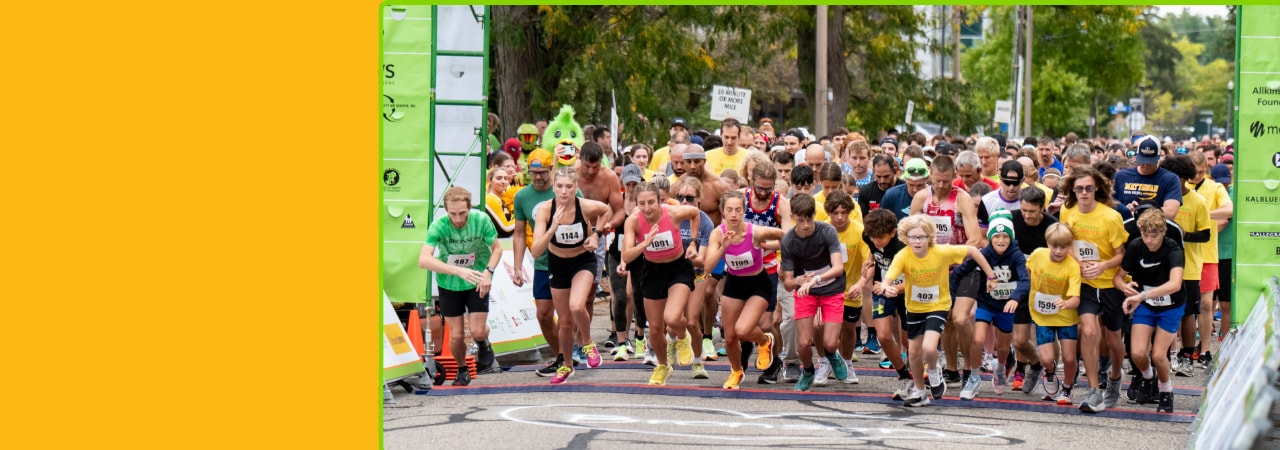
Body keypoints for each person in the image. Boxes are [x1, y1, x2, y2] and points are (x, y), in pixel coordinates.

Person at [883, 215, 998, 407]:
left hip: (938, 305)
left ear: (929, 237)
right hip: (914, 308)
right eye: (913, 237)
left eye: (921, 237)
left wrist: (991, 276)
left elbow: (974, 251)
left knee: (929, 347)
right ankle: (920, 392)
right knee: (913, 354)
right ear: (906, 238)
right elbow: (889, 278)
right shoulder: (903, 255)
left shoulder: (942, 252)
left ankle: (935, 373)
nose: (917, 241)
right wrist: (888, 287)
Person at [531, 167, 613, 384]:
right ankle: (566, 366)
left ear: (576, 188)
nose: (564, 191)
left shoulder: (584, 206)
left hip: (583, 261)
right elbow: (536, 250)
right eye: (559, 186)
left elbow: (606, 210)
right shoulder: (545, 211)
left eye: (569, 187)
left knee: (577, 305)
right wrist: (552, 228)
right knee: (565, 322)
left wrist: (596, 234)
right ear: (554, 188)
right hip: (557, 265)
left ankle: (587, 342)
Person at [1058, 164, 1128, 412]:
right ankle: (1094, 389)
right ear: (1072, 190)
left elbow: (1122, 255)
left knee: (1113, 339)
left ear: (1097, 187)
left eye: (1088, 188)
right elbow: (1065, 245)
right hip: (1085, 284)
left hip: (1110, 284)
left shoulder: (1111, 217)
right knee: (1087, 331)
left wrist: (1102, 266)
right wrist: (1079, 264)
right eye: (1079, 189)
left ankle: (1116, 377)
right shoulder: (1068, 213)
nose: (1084, 193)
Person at [417, 187, 504, 386]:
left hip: (477, 279)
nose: (457, 219)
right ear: (446, 211)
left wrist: (488, 273)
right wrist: (457, 271)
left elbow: (497, 249)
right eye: (452, 214)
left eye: (462, 213)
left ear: (470, 208)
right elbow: (423, 260)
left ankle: (483, 342)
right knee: (456, 335)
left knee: (477, 331)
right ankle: (462, 369)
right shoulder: (438, 225)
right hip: (449, 283)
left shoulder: (481, 220)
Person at [621, 181, 703, 385]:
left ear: (660, 201)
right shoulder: (633, 221)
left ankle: (683, 337)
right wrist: (645, 244)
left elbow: (695, 214)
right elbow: (626, 255)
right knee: (656, 328)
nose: (647, 208)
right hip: (653, 270)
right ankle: (662, 365)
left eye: (651, 202)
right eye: (642, 203)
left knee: (673, 317)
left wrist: (693, 241)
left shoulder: (672, 213)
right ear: (636, 204)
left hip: (678, 268)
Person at [910, 155, 982, 387]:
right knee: (947, 321)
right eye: (937, 181)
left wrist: (951, 254)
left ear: (954, 177)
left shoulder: (962, 199)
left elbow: (975, 238)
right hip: (933, 267)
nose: (941, 185)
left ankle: (971, 368)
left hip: (962, 266)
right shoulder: (921, 198)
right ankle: (952, 369)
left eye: (946, 181)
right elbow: (910, 233)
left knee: (961, 318)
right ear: (931, 175)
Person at [704, 190, 787, 389]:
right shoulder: (718, 233)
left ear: (744, 211)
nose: (733, 214)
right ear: (723, 212)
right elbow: (707, 267)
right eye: (729, 210)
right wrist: (723, 248)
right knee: (730, 336)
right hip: (734, 284)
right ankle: (736, 371)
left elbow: (786, 236)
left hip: (758, 284)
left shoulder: (755, 232)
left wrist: (771, 247)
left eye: (738, 210)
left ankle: (764, 340)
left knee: (742, 330)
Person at [950, 211, 1028, 400]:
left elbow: (1025, 281)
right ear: (991, 238)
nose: (1001, 240)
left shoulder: (1016, 255)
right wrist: (951, 296)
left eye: (1005, 236)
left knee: (1002, 347)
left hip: (1007, 306)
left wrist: (1015, 298)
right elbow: (960, 271)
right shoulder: (984, 253)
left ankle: (1000, 369)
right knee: (977, 340)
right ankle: (974, 378)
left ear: (1011, 237)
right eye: (996, 236)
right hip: (986, 302)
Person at [780, 193, 855, 391]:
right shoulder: (788, 241)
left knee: (830, 343)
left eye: (809, 219)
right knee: (804, 344)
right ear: (793, 216)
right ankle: (808, 370)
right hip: (806, 292)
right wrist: (795, 280)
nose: (805, 224)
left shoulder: (827, 231)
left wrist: (816, 279)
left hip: (832, 289)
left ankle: (832, 356)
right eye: (800, 220)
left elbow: (838, 267)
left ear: (815, 214)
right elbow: (787, 283)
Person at [1116, 209, 1185, 414]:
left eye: (1154, 236)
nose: (1149, 241)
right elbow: (1118, 276)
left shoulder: (1174, 250)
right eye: (1145, 235)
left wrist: (1142, 296)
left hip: (1170, 306)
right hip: (1146, 305)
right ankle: (1148, 378)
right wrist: (1124, 287)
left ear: (1163, 231)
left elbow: (1175, 284)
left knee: (1158, 355)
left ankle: (1166, 391)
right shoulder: (1137, 246)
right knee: (1137, 353)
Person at [510, 149, 566, 377]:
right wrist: (516, 266)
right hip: (542, 262)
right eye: (533, 173)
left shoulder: (564, 189)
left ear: (551, 169)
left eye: (542, 172)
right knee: (543, 314)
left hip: (568, 260)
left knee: (567, 313)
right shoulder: (522, 196)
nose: (538, 177)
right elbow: (520, 233)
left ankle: (568, 355)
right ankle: (560, 356)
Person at [1159, 155, 1212, 377]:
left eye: (1176, 179)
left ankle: (1188, 356)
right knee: (1160, 311)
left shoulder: (1198, 202)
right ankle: (1162, 356)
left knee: (1187, 313)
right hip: (1161, 266)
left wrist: (1185, 234)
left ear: (1184, 178)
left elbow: (1206, 235)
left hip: (1188, 267)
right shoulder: (1161, 198)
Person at [743, 160, 792, 383]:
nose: (763, 192)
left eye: (768, 188)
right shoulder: (740, 198)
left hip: (767, 268)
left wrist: (762, 244)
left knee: (765, 323)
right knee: (739, 323)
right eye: (759, 188)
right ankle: (741, 363)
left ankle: (773, 363)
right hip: (741, 268)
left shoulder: (781, 202)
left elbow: (789, 238)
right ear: (752, 182)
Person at [1025, 223, 1083, 405]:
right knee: (1046, 358)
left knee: (1068, 357)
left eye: (1064, 247)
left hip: (1066, 317)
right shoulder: (1037, 255)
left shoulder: (1072, 266)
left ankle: (1067, 386)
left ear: (1070, 246)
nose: (1058, 251)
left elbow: (1076, 298)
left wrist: (1066, 303)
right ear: (1047, 243)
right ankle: (1049, 373)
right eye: (1054, 246)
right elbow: (1027, 271)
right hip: (1042, 315)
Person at [864, 209, 913, 399]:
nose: (876, 241)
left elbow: (916, 278)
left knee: (909, 341)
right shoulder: (869, 237)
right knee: (884, 336)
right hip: (882, 288)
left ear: (893, 232)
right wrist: (870, 259)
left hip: (907, 289)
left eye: (881, 238)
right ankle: (904, 376)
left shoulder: (904, 246)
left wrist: (892, 288)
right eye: (873, 237)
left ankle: (920, 373)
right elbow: (874, 249)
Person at [1190, 150, 1232, 369]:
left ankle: (1205, 348)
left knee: (1207, 305)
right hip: (1185, 253)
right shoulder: (1180, 186)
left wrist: (1203, 213)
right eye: (1194, 172)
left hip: (1207, 255)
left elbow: (1229, 209)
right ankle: (1184, 351)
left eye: (1202, 172)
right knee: (1185, 306)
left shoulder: (1214, 187)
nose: (1198, 176)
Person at [673, 177, 717, 374]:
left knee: (691, 321)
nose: (684, 202)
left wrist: (694, 257)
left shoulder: (706, 223)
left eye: (689, 198)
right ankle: (672, 349)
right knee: (674, 320)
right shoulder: (673, 216)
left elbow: (704, 262)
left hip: (698, 272)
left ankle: (698, 361)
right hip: (674, 273)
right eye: (680, 197)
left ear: (699, 199)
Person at [1114, 136, 1183, 220]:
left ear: (1158, 157)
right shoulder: (1121, 176)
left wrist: (1141, 211)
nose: (1145, 165)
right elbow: (1108, 206)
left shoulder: (1170, 179)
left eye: (1150, 162)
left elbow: (1171, 212)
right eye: (1142, 160)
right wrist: (1125, 210)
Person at [683, 145, 732, 226]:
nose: (692, 166)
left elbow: (735, 215)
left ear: (704, 162)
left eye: (697, 161)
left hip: (712, 236)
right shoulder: (677, 186)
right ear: (683, 162)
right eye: (688, 162)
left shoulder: (719, 186)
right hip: (684, 237)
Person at [484, 167, 516, 238]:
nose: (503, 182)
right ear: (490, 181)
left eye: (505, 178)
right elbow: (506, 229)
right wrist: (522, 216)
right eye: (499, 178)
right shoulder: (491, 199)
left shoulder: (502, 198)